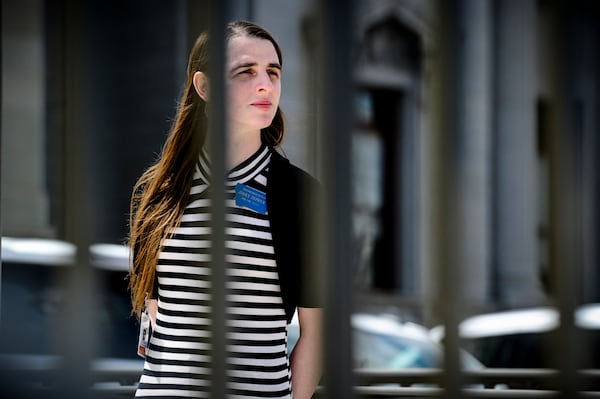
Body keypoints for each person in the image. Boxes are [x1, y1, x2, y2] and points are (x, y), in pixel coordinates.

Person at [128, 20, 323, 399]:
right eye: (246, 72)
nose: (265, 84)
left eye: (273, 72)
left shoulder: (299, 195)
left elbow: (318, 336)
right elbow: (156, 319)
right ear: (205, 87)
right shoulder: (160, 191)